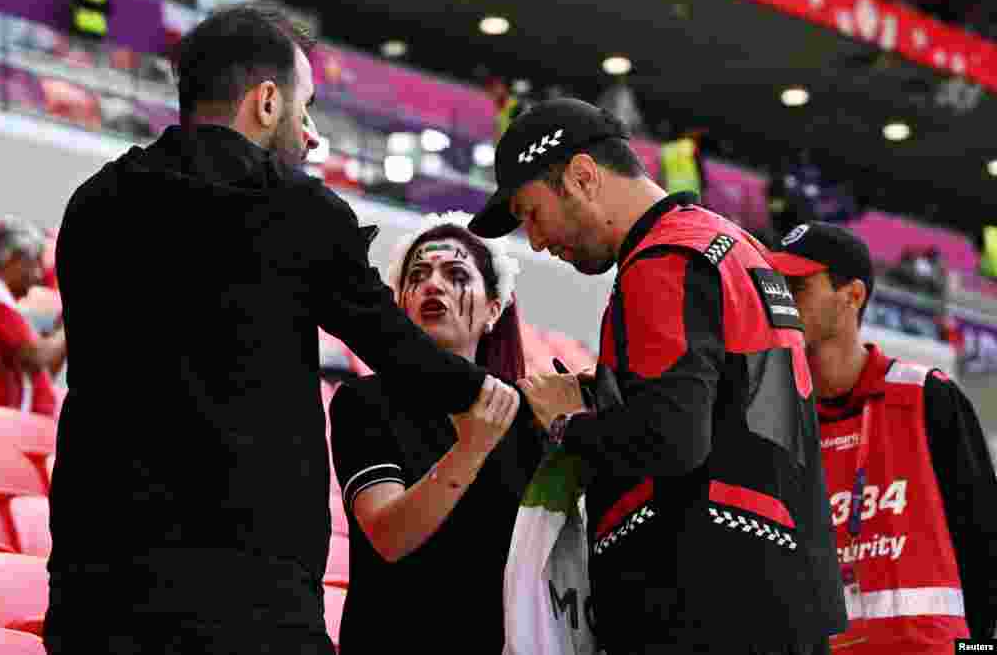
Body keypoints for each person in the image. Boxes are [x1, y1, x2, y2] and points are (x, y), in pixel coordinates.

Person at [45, 5, 517, 654]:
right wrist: (497, 396)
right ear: (267, 101)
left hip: (94, 595)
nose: (313, 133)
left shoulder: (94, 203)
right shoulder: (299, 211)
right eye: (307, 107)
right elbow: (401, 350)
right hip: (247, 605)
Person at [469, 97, 847, 654]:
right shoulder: (730, 246)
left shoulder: (664, 259)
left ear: (582, 177)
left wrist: (567, 424)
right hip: (779, 592)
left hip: (701, 602)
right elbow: (725, 408)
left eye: (531, 213)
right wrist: (604, 398)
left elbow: (671, 438)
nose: (538, 240)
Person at [767, 221, 997, 654]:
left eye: (797, 285)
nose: (780, 298)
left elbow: (984, 539)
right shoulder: (772, 415)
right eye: (775, 284)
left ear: (852, 296)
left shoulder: (928, 396)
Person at [329, 212, 542, 652]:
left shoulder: (528, 419)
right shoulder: (364, 402)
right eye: (419, 275)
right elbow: (389, 537)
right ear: (399, 304)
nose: (433, 285)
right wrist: (472, 448)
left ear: (493, 310)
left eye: (456, 274)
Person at [0, 217, 64, 417]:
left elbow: (42, 371)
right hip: (2, 427)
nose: (39, 275)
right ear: (15, 259)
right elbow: (36, 357)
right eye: (36, 263)